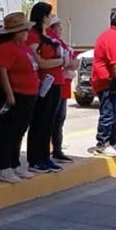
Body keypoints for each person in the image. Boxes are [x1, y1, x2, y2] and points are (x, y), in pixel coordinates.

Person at [0, 12, 38, 183]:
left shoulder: (22, 47)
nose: (26, 32)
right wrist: (9, 94)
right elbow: (2, 72)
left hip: (28, 95)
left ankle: (13, 163)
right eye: (23, 30)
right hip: (15, 95)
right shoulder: (6, 48)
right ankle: (1, 166)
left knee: (19, 131)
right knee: (7, 131)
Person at [25, 2, 65, 174]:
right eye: (49, 15)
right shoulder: (33, 36)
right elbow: (39, 62)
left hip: (56, 82)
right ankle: (35, 159)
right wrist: (61, 62)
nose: (51, 19)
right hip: (43, 84)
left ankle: (45, 157)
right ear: (43, 16)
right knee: (39, 122)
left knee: (49, 122)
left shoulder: (47, 34)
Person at [91, 9, 116, 157]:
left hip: (112, 82)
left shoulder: (115, 36)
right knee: (108, 113)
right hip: (107, 81)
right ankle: (103, 142)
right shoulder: (113, 37)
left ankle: (115, 140)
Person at [46, 15, 75, 163]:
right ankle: (50, 150)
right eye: (58, 26)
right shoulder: (51, 41)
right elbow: (67, 61)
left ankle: (57, 148)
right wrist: (66, 62)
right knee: (52, 119)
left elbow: (71, 61)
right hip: (54, 85)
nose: (61, 29)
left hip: (63, 85)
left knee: (59, 119)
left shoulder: (60, 43)